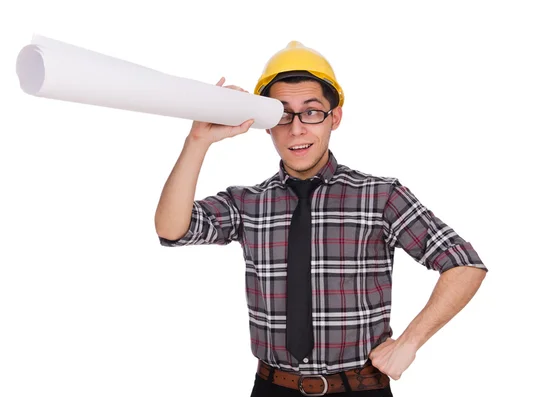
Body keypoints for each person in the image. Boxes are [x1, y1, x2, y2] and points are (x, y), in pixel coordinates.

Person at [154, 41, 488, 396]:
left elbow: (463, 264)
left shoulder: (380, 196)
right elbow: (172, 229)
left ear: (335, 117)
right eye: (282, 114)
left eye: (311, 112)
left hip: (360, 388)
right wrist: (197, 140)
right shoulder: (247, 202)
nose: (296, 129)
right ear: (266, 125)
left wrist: (409, 342)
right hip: (271, 387)